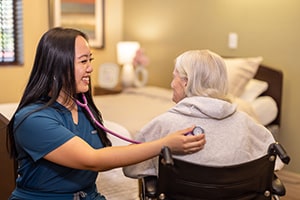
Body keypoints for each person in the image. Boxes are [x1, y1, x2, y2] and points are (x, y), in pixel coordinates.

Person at [6, 27, 206, 200]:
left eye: (90, 60)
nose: (91, 68)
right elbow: (93, 159)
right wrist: (164, 144)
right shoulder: (32, 119)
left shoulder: (85, 109)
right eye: (83, 61)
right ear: (58, 65)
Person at [123, 49, 283, 178]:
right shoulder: (247, 123)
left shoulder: (164, 124)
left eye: (174, 78)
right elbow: (276, 162)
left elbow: (131, 169)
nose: (172, 84)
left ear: (186, 82)